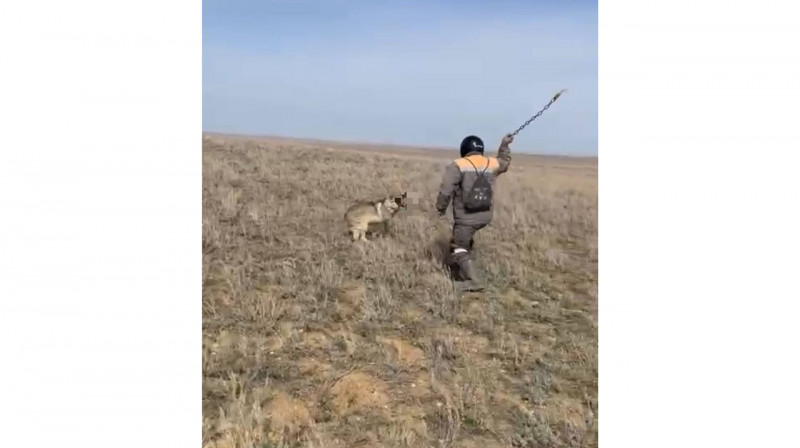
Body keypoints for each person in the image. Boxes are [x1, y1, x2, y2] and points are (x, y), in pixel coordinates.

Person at [435, 133, 513, 291]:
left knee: (457, 246)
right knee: (465, 240)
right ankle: (463, 267)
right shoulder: (491, 163)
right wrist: (504, 145)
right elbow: (504, 162)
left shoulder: (458, 164)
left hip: (466, 217)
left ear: (464, 149)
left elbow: (446, 190)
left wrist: (440, 208)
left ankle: (473, 281)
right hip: (485, 216)